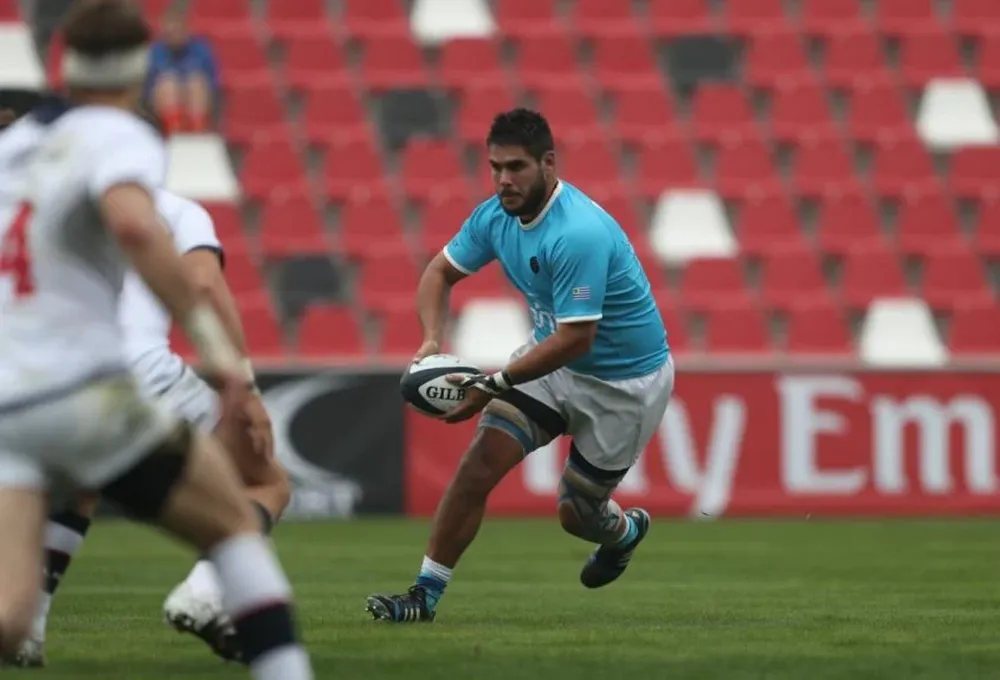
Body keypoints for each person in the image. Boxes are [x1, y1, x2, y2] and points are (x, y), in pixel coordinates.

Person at [0, 2, 313, 678]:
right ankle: (219, 610)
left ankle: (33, 625)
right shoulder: (125, 144)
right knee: (247, 504)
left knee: (7, 612)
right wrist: (234, 373)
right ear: (140, 70)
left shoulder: (18, 153)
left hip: (11, 391)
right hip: (97, 379)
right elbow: (167, 256)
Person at [366, 109, 674, 623]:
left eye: (517, 167)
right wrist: (430, 340)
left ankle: (624, 533)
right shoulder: (494, 217)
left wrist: (493, 383)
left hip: (625, 383)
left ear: (548, 164)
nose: (504, 180)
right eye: (495, 168)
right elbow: (439, 272)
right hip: (552, 365)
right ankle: (423, 597)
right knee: (477, 466)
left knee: (576, 515)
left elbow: (578, 337)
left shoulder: (578, 232)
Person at [12, 173, 291, 666]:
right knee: (266, 482)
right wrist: (241, 384)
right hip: (137, 375)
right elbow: (203, 283)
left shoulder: (43, 209)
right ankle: (203, 595)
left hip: (49, 377)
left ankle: (30, 626)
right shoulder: (175, 210)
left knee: (83, 483)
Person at [145, 6, 218, 135]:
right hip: (161, 104)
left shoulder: (201, 50)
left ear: (186, 29)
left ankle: (197, 130)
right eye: (170, 29)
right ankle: (174, 130)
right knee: (168, 83)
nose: (174, 32)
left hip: (197, 101)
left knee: (196, 82)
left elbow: (213, 84)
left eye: (178, 28)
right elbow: (148, 88)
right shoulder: (155, 52)